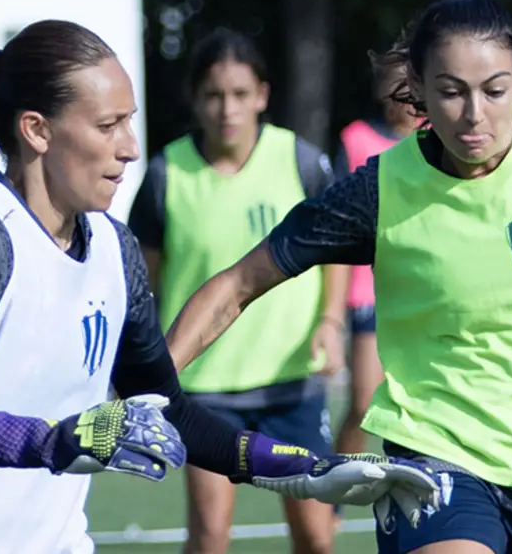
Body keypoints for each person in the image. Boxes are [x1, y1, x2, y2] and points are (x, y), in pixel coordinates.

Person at [0, 19, 440, 554]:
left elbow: (169, 410)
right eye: (107, 126)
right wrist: (46, 441)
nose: (129, 148)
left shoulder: (113, 251)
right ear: (38, 130)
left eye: (129, 123)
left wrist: (307, 472)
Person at [163, 0, 512, 554]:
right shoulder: (380, 188)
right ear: (415, 85)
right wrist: (148, 387)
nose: (473, 115)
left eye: (494, 90)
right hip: (438, 459)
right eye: (450, 92)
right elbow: (240, 282)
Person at [128, 28, 348, 554]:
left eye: (240, 94)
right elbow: (142, 284)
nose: (227, 108)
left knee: (317, 537)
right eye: (214, 95)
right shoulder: (165, 175)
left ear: (262, 97)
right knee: (209, 538)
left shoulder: (300, 161)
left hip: (292, 383)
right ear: (195, 99)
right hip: (204, 390)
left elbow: (337, 247)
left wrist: (331, 321)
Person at [332, 52, 419, 460]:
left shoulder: (439, 140)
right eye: (394, 88)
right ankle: (334, 487)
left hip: (424, 286)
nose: (402, 98)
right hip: (370, 292)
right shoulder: (356, 140)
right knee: (364, 403)